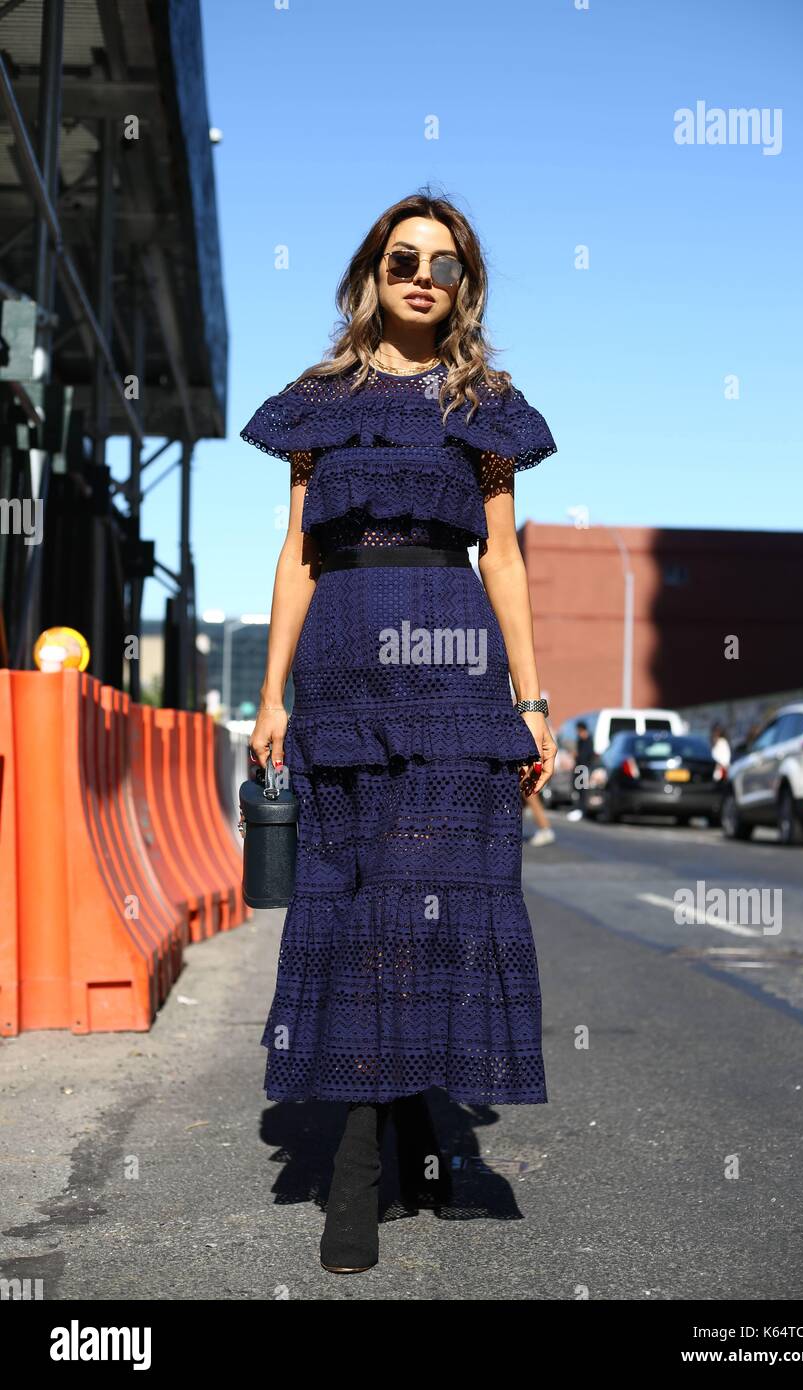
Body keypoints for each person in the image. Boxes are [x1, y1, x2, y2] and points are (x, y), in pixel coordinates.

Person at [241, 191, 558, 1275]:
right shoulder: (317, 401)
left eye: (446, 262)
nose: (422, 272)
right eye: (402, 256)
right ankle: (372, 1150)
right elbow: (295, 554)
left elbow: (503, 560)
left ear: (464, 286)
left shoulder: (486, 404)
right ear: (370, 273)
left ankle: (375, 1151)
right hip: (341, 657)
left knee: (436, 897)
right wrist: (270, 694)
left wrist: (531, 698)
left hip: (455, 655)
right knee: (361, 896)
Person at [566, 720, 595, 822]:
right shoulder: (580, 740)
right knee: (577, 789)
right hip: (578, 768)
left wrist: (578, 756)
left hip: (585, 768)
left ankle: (582, 810)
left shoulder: (589, 741)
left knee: (583, 790)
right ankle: (578, 808)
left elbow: (587, 756)